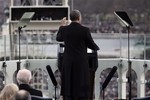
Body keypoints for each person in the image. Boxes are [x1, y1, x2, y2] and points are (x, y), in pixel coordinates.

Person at [56, 10, 99, 100]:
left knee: (69, 85)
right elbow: (92, 45)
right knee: (81, 85)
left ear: (70, 18)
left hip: (68, 62)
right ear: (79, 18)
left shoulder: (64, 29)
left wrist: (61, 26)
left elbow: (58, 38)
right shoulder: (85, 30)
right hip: (81, 63)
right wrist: (96, 47)